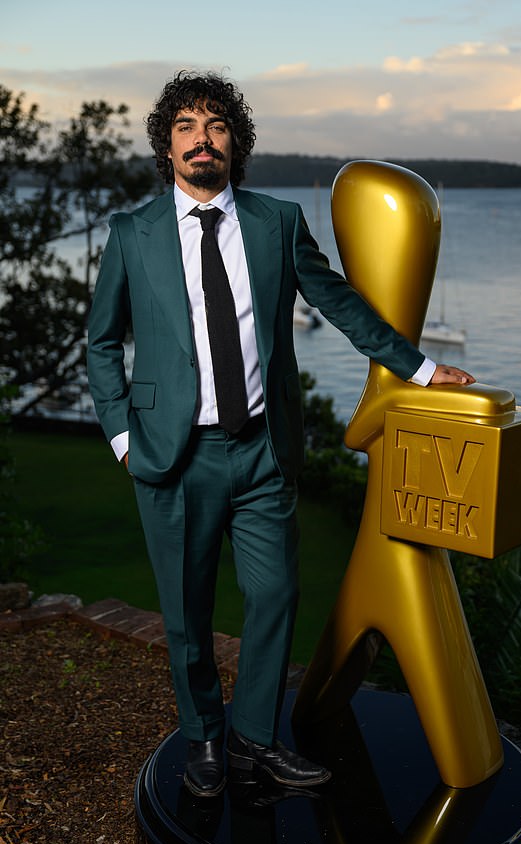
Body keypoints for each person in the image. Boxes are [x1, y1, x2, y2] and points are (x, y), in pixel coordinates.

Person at [87, 70, 475, 798]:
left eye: (217, 127)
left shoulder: (276, 223)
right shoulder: (131, 234)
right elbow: (100, 341)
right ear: (166, 147)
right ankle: (203, 737)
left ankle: (254, 740)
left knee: (275, 597)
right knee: (187, 614)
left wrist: (421, 369)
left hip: (263, 451)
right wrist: (122, 438)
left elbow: (341, 305)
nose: (202, 141)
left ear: (237, 143)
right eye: (186, 128)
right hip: (174, 458)